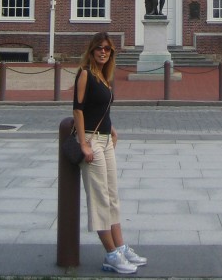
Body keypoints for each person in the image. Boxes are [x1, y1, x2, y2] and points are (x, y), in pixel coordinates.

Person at [73, 32, 147, 275]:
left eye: (107, 49)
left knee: (112, 196)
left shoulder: (103, 76)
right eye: (99, 49)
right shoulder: (85, 73)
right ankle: (111, 254)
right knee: (99, 199)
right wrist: (83, 144)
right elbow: (78, 109)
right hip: (92, 143)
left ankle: (121, 246)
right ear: (92, 51)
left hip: (105, 141)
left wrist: (111, 129)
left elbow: (99, 108)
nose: (103, 52)